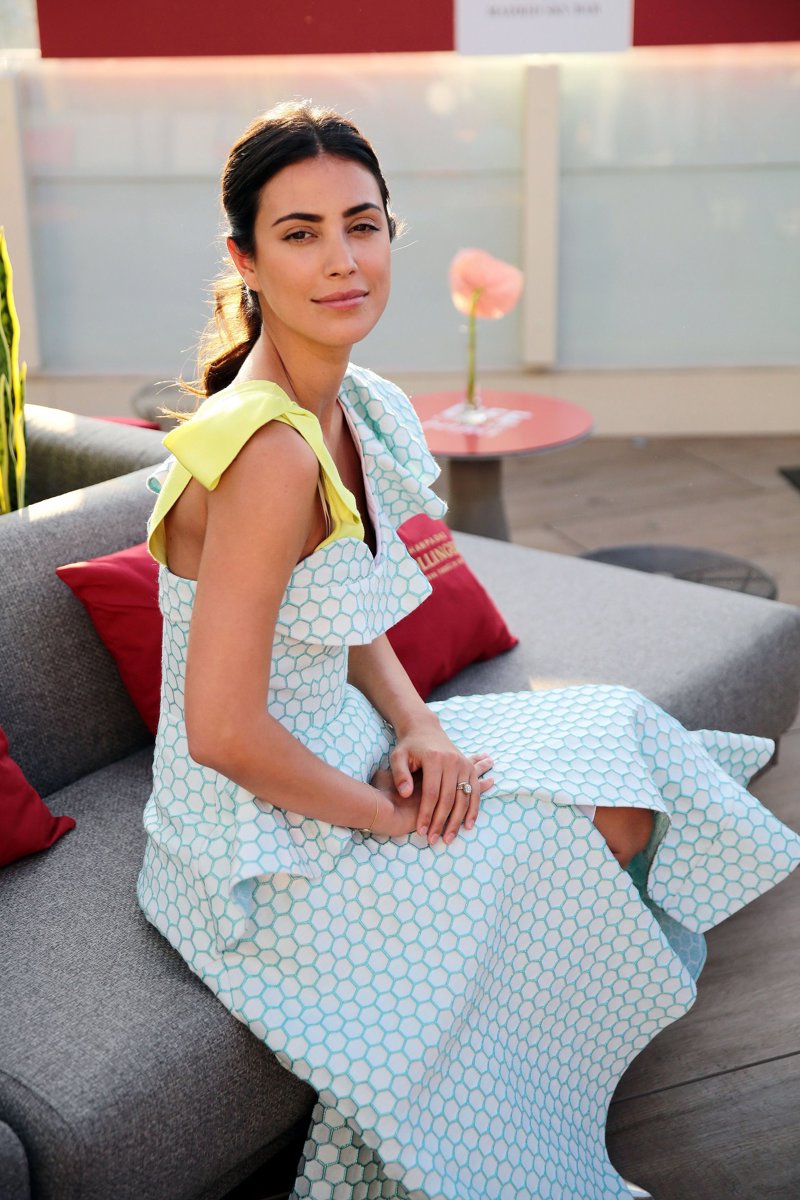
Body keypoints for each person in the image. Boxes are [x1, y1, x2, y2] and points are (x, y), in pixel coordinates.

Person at [138, 102, 800, 1200]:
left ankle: (549, 1080)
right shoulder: (265, 452)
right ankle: (510, 1130)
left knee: (620, 743)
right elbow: (221, 733)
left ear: (392, 233)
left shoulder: (348, 405)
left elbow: (340, 611)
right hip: (258, 842)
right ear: (244, 260)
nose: (342, 260)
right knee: (591, 827)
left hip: (349, 745)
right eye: (299, 233)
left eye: (362, 224)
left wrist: (420, 726)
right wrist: (391, 817)